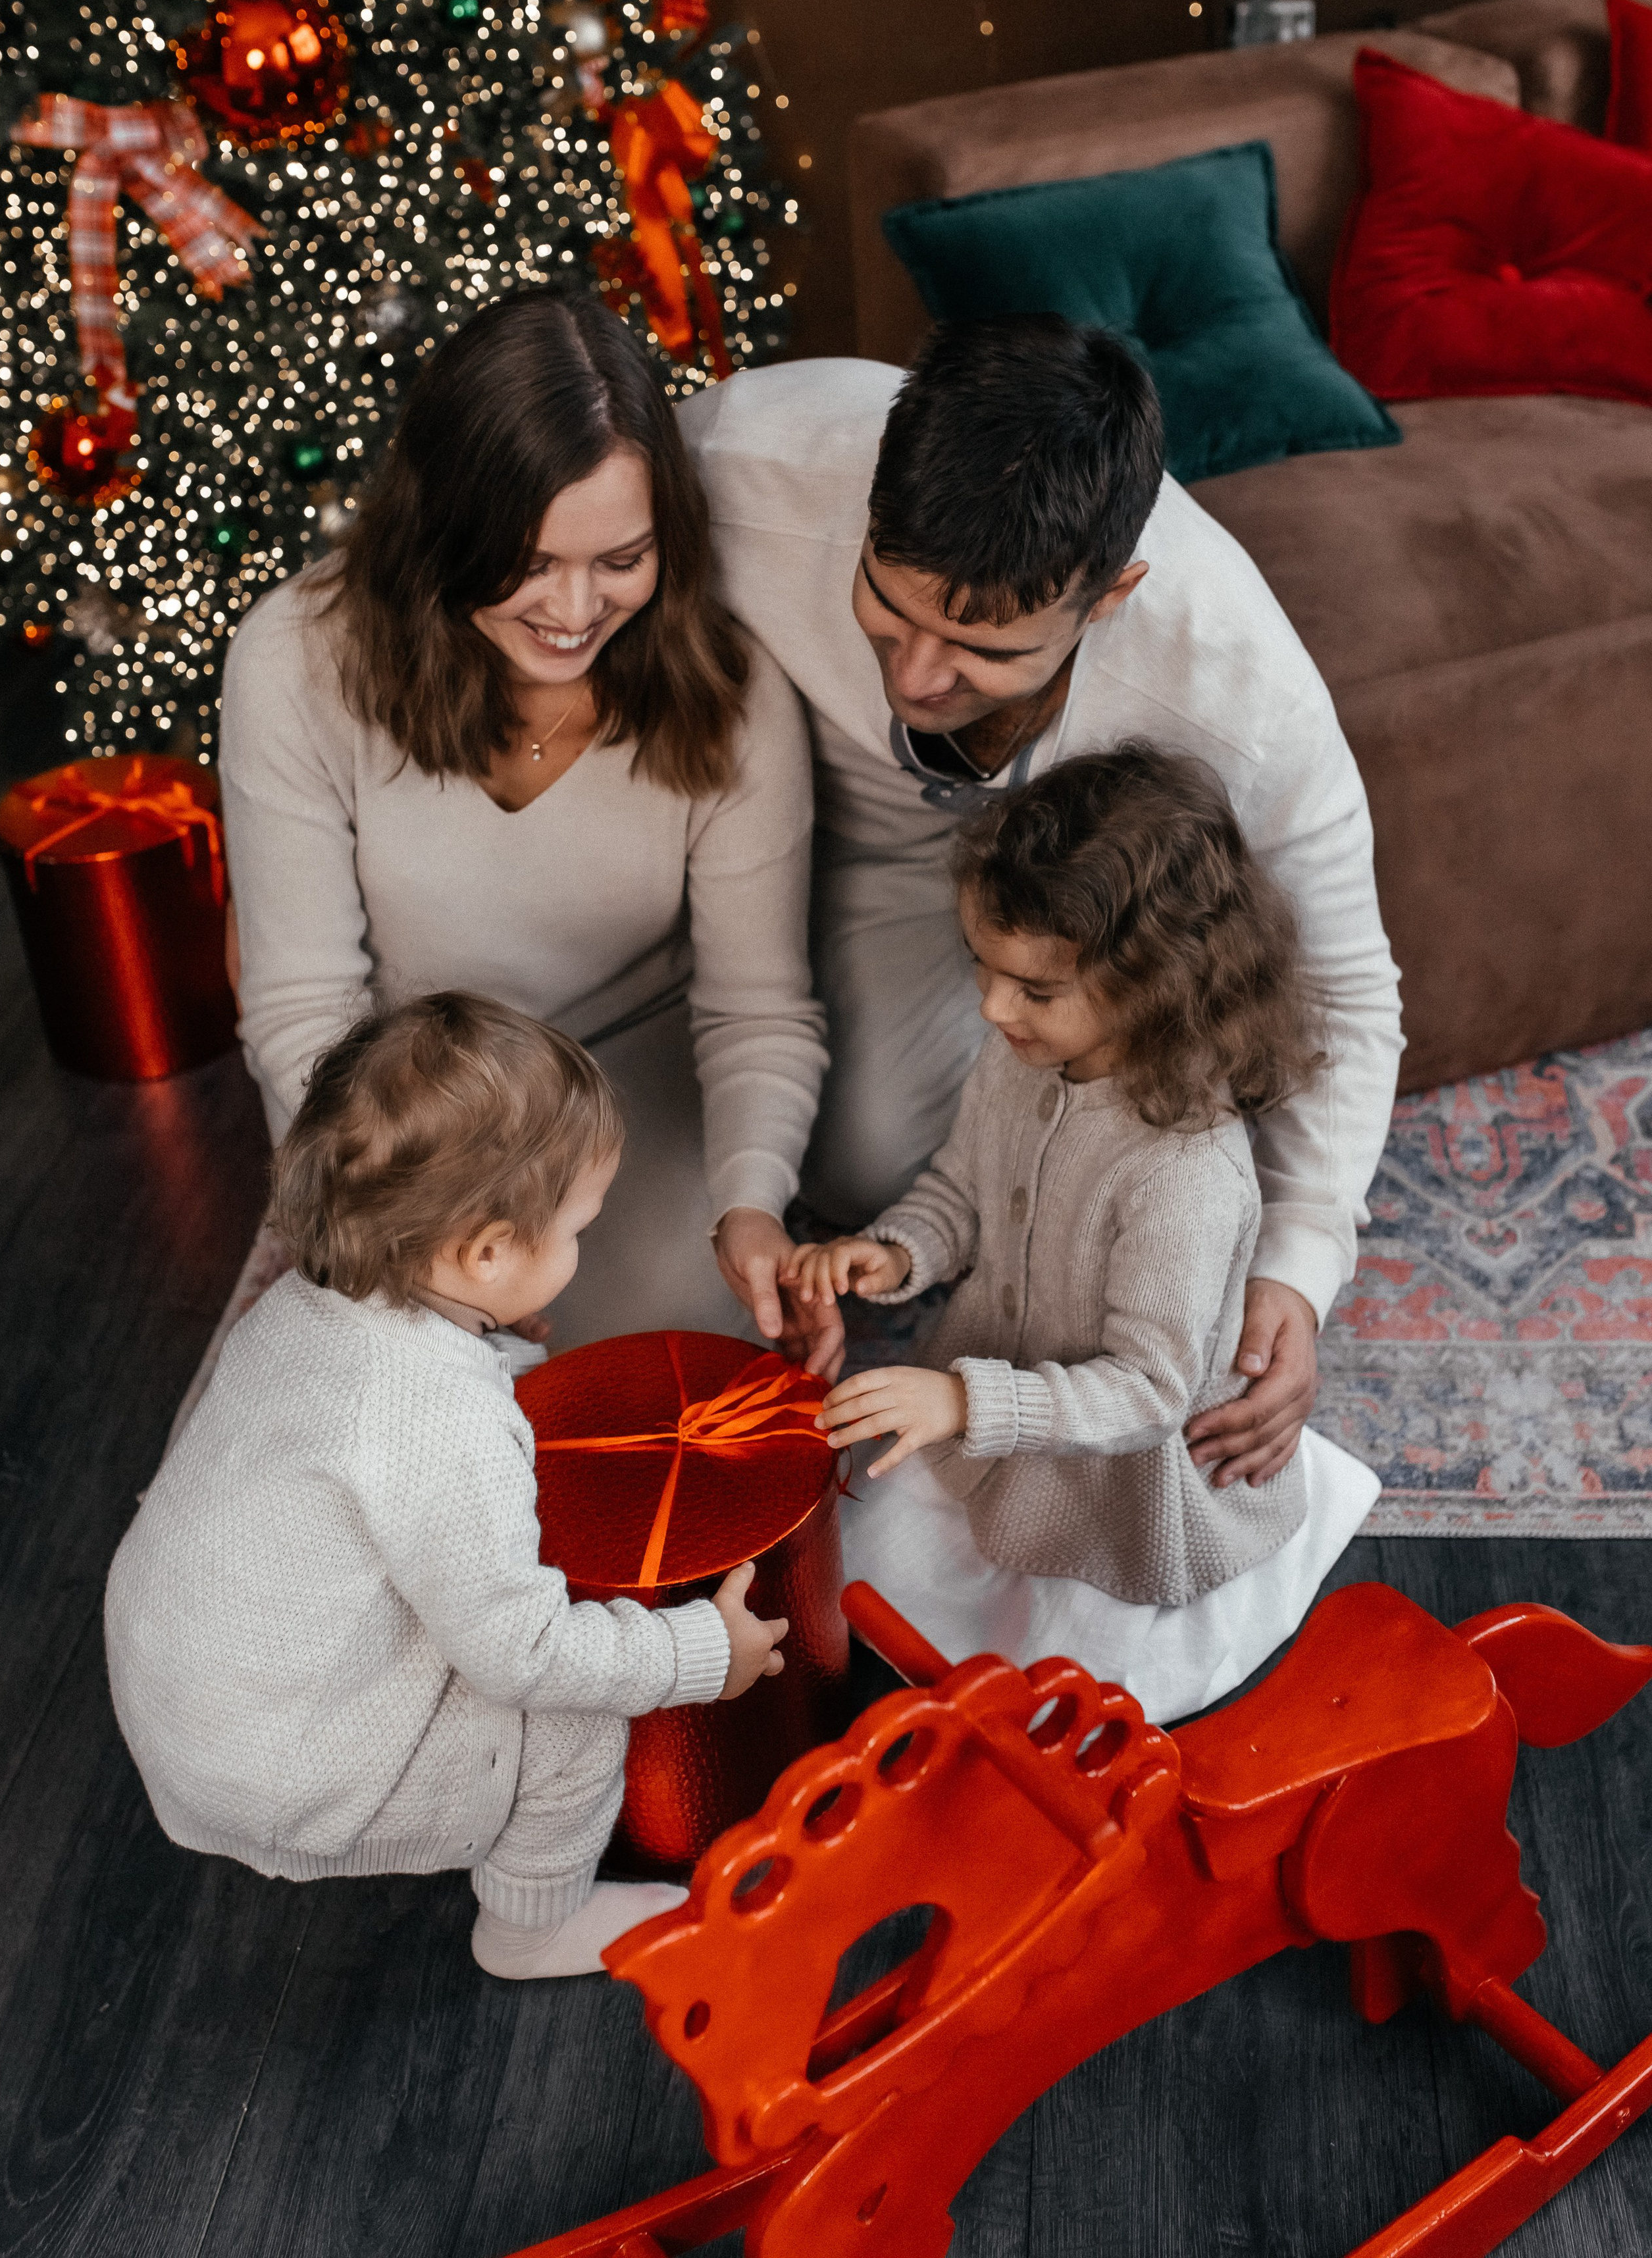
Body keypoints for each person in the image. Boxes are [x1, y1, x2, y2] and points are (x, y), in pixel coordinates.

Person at [678, 315, 1404, 1481]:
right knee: (855, 1159)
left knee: (901, 1156)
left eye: (979, 648)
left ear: (1111, 594)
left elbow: (1351, 985)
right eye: (890, 607)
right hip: (833, 844)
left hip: (1071, 912)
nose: (915, 680)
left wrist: (1299, 1264)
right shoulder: (737, 455)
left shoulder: (1241, 690)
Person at [105, 994, 789, 1980]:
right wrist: (695, 1651)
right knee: (574, 1712)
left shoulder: (306, 1298)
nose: (583, 1249)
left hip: (189, 1681)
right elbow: (526, 1656)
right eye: (578, 1230)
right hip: (279, 1763)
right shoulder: (437, 1422)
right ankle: (530, 1927)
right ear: (482, 1254)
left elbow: (381, 1426)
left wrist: (494, 1348)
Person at [220, 287, 836, 1362]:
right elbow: (303, 1008)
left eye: (620, 560)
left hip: (624, 1085)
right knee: (408, 1368)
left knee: (684, 1345)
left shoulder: (734, 691)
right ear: (442, 528)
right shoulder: (292, 655)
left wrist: (751, 1207)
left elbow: (756, 1012)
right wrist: (421, 1220)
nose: (573, 610)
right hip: (396, 1105)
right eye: (528, 562)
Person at [787, 750, 1380, 1723]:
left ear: (1153, 984)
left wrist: (959, 1399)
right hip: (1010, 1408)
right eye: (982, 965)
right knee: (870, 1570)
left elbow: (1148, 1391)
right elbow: (964, 1188)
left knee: (1050, 1699)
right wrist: (899, 1250)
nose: (990, 1006)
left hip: (1118, 1478)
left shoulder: (1182, 1168)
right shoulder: (1021, 1057)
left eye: (1032, 988)